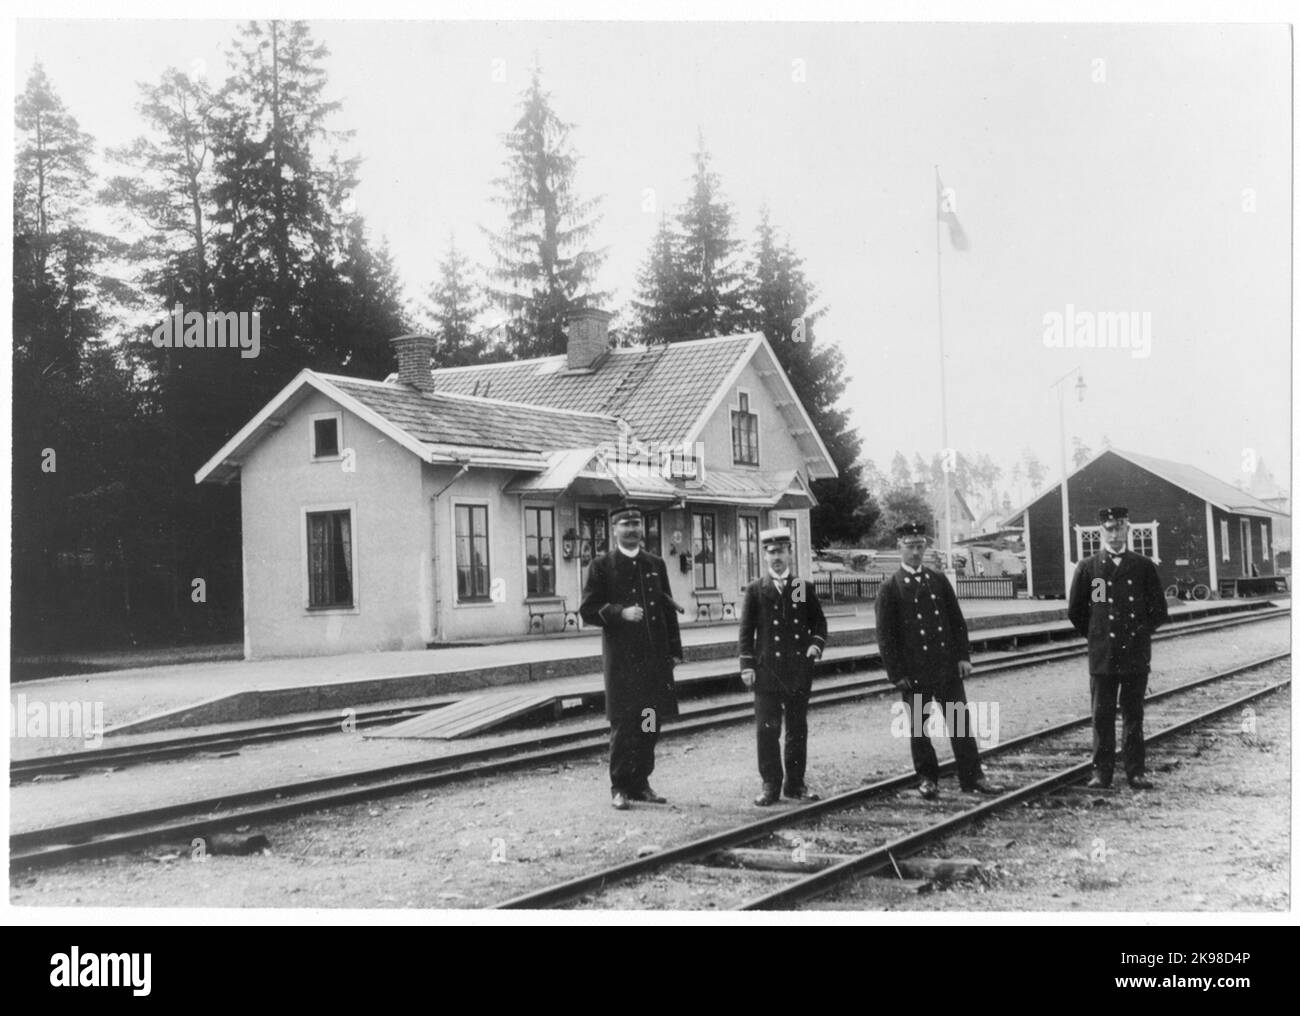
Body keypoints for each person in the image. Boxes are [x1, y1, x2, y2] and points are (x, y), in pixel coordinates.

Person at [874, 522, 997, 799]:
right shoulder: (890, 588)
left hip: (946, 668)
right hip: (914, 673)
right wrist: (896, 673)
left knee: (960, 725)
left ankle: (973, 777)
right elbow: (886, 636)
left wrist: (963, 657)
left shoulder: (938, 580)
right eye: (910, 546)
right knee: (919, 728)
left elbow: (956, 621)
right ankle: (927, 778)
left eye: (920, 546)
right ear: (899, 548)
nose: (916, 552)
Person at [580, 503, 683, 810]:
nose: (633, 530)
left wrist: (675, 651)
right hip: (623, 664)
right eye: (625, 525)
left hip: (653, 662)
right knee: (624, 725)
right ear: (614, 531)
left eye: (637, 524)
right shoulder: (601, 566)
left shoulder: (655, 563)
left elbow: (667, 607)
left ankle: (641, 783)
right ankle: (620, 786)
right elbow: (587, 610)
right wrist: (620, 613)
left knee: (650, 723)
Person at [1068, 506, 1168, 790]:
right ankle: (1102, 773)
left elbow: (1158, 610)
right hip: (1104, 655)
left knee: (1134, 713)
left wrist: (1140, 632)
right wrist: (1097, 635)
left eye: (1119, 528)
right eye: (1109, 529)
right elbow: (1079, 611)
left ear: (1128, 530)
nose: (1114, 534)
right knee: (1102, 714)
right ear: (1102, 531)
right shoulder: (1091, 568)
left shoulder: (1142, 566)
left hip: (1135, 652)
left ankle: (1136, 772)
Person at [738, 527, 828, 806]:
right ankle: (770, 785)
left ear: (790, 552)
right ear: (764, 556)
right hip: (767, 672)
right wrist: (747, 665)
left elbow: (818, 622)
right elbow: (746, 631)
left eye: (782, 551)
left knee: (797, 729)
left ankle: (795, 784)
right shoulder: (756, 589)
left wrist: (816, 644)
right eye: (772, 552)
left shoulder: (800, 588)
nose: (777, 557)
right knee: (767, 730)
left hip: (797, 671)